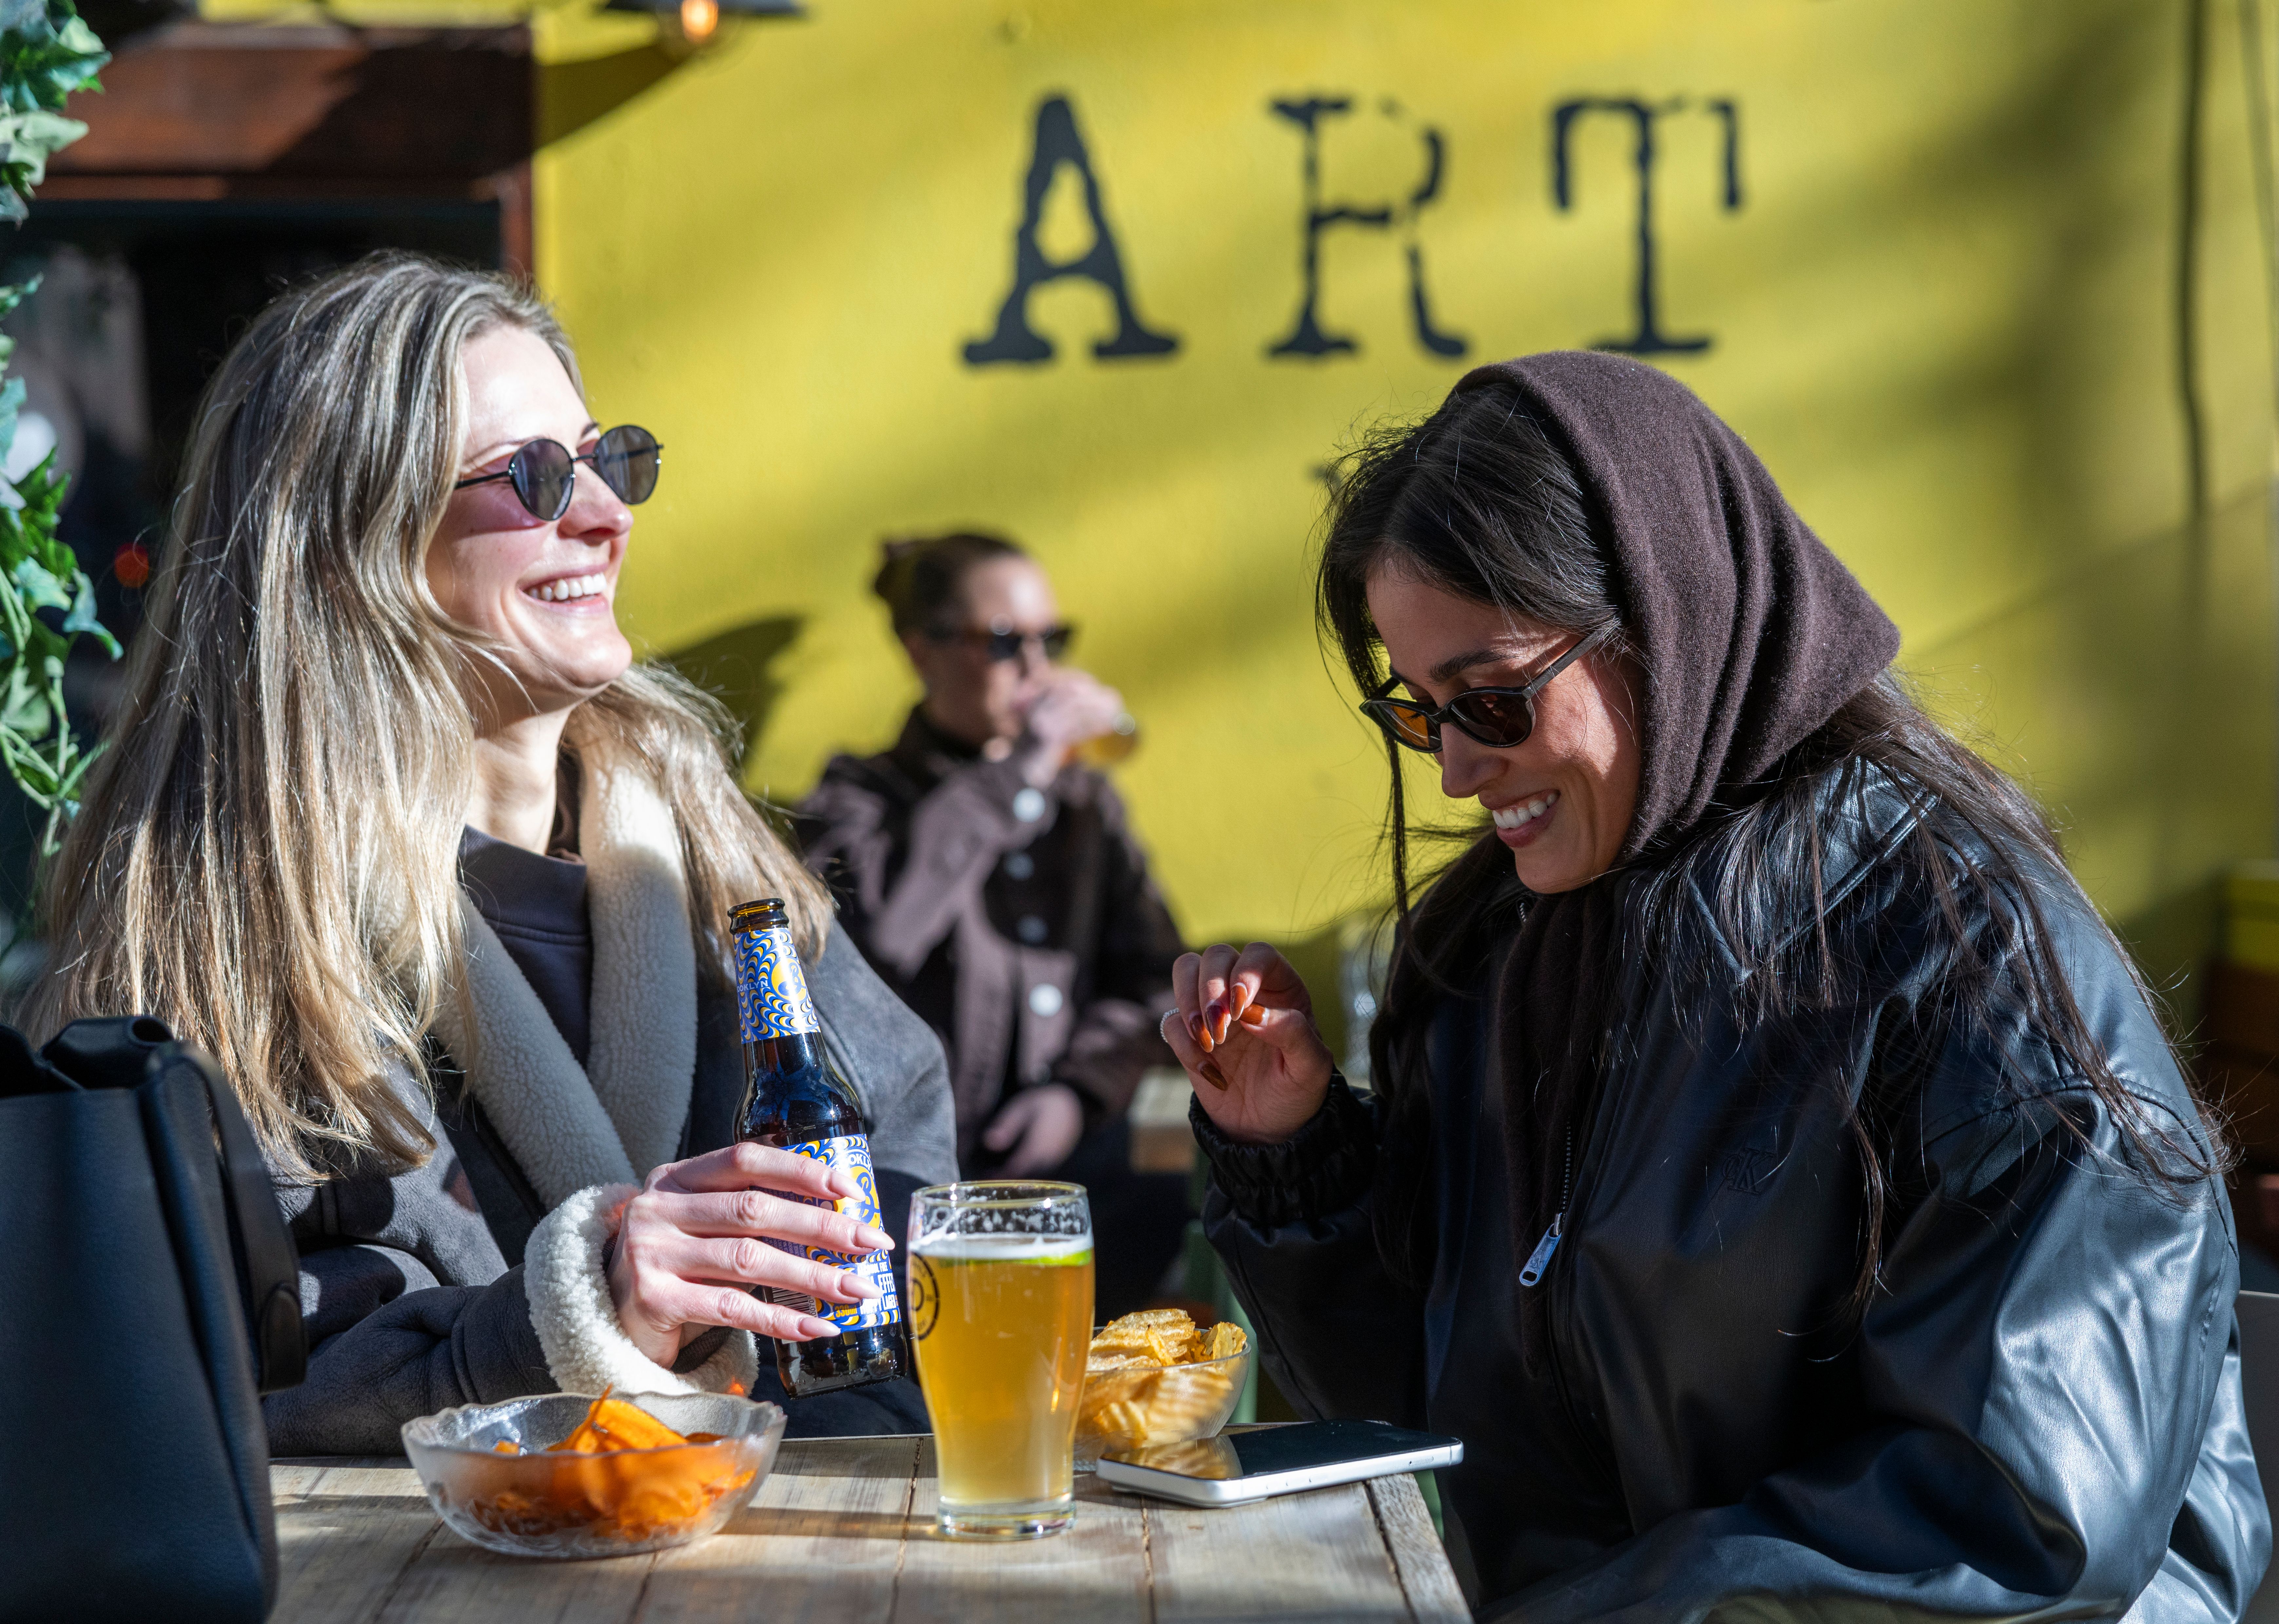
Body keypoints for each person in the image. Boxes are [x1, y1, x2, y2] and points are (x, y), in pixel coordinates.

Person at [1159, 353, 2268, 1619]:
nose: (1457, 770)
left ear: (1664, 617)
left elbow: (2014, 1520)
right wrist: (1295, 1156)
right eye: (1420, 713)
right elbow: (1448, 1432)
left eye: (1492, 700)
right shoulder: (1496, 952)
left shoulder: (1968, 958)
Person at [21, 253, 957, 1455]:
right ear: (351, 544)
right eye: (536, 475)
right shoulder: (227, 938)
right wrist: (577, 1311)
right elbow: (198, 1390)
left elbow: (907, 1185)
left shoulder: (709, 856)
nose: (608, 514)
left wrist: (831, 1433)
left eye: (609, 460)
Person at [799, 533, 1188, 1317]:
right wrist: (1019, 772)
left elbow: (1155, 978)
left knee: (1170, 1182)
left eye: (1053, 640)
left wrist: (1077, 1093)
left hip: (1070, 1174)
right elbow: (879, 941)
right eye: (1006, 642)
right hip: (908, 1189)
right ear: (923, 651)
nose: (1035, 668)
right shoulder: (856, 800)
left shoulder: (1082, 802)